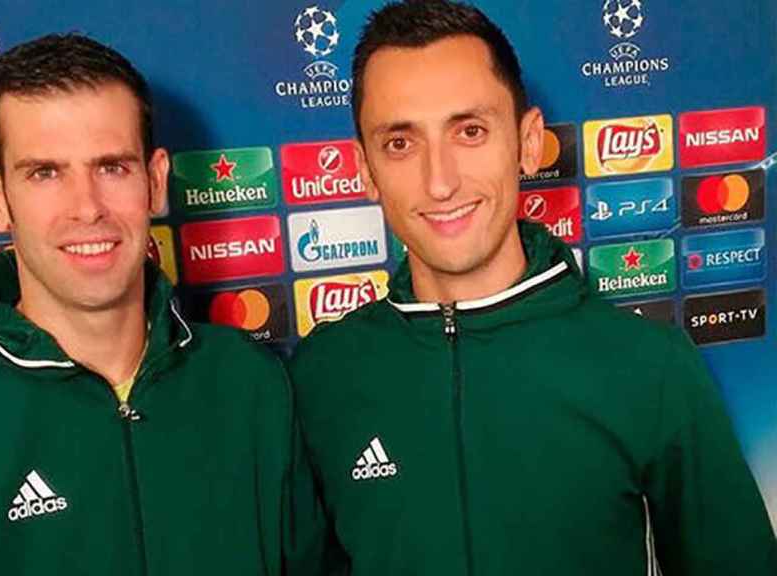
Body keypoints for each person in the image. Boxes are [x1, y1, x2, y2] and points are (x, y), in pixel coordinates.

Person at [288, 1, 777, 574]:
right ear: (365, 168)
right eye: (401, 143)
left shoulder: (649, 366)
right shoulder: (323, 375)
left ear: (528, 142)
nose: (440, 181)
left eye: (469, 131)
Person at [0, 34, 327, 575]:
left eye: (111, 167)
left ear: (154, 181)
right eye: (45, 173)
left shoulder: (251, 383)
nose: (86, 208)